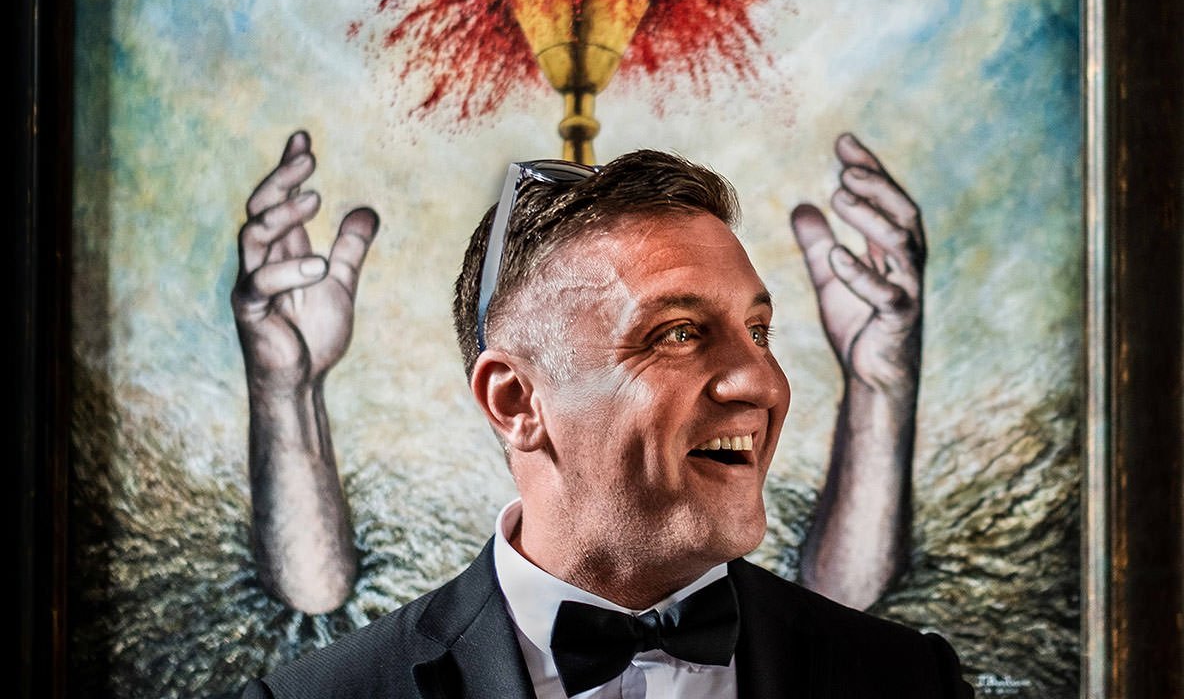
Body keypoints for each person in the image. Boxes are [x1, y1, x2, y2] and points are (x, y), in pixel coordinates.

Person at [235, 132, 971, 697]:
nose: (763, 382)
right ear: (517, 402)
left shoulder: (911, 681)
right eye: (679, 332)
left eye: (758, 332)